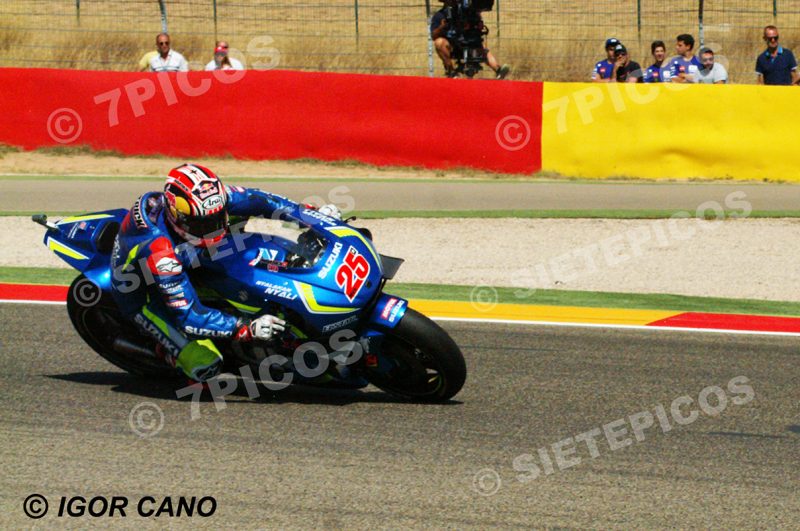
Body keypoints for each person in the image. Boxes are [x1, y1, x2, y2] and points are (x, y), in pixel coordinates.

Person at [110, 163, 342, 383]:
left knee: (245, 231)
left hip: (189, 255)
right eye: (204, 223)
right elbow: (189, 315)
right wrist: (244, 328)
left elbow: (265, 202)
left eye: (217, 218)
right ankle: (168, 352)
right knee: (205, 365)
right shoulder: (162, 253)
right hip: (142, 290)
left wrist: (312, 216)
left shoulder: (209, 201)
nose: (214, 227)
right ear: (178, 217)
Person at [430, 0, 510, 79]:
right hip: (453, 46)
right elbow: (433, 36)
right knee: (439, 42)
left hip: (468, 41)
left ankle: (498, 70)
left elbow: (476, 23)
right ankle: (452, 72)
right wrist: (441, 27)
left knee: (480, 48)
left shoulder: (465, 13)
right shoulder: (439, 15)